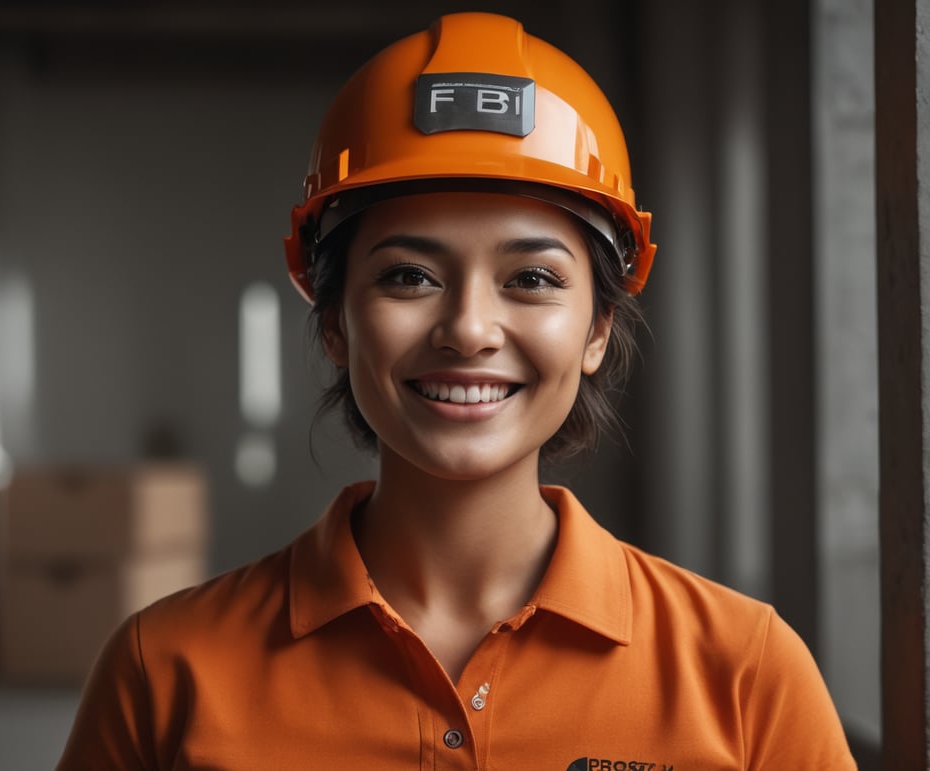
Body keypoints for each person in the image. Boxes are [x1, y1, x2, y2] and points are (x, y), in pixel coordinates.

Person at [56, 11, 856, 770]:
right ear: (334, 322)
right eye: (409, 275)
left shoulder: (746, 674)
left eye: (532, 278)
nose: (469, 328)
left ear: (597, 330)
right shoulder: (163, 673)